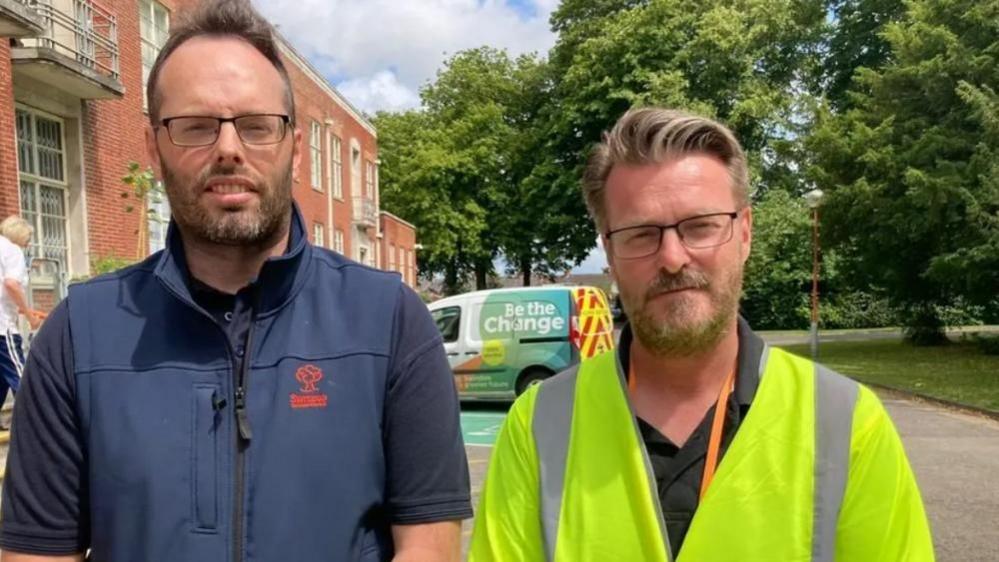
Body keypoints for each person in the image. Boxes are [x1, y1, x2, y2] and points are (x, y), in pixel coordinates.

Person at [0, 1, 471, 560]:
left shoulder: (390, 321)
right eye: (195, 126)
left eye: (256, 126)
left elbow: (430, 546)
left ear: (295, 148)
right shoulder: (79, 335)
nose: (228, 148)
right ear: (154, 150)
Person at [470, 107, 934, 561]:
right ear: (609, 251)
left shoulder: (847, 424)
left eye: (700, 227)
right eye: (640, 233)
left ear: (745, 233)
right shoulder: (538, 425)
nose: (672, 258)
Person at [0, 216, 44, 428]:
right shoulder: (12, 251)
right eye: (28, 238)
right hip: (3, 328)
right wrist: (28, 314)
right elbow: (11, 284)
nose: (29, 243)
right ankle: (37, 423)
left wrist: (21, 308)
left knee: (1, 376)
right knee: (21, 373)